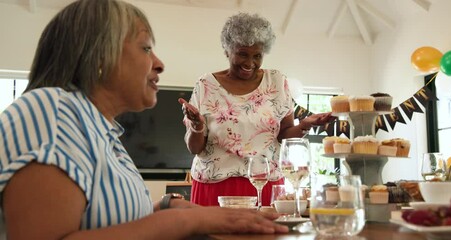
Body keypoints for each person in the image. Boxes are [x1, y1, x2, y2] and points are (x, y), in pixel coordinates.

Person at [0, 1, 289, 239]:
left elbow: (102, 219)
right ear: (100, 55)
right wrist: (183, 223)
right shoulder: (51, 113)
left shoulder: (98, 130)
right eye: (146, 48)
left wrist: (166, 207)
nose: (160, 63)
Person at [179, 12, 334, 206]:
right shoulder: (205, 85)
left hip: (265, 183)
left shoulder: (277, 82)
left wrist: (303, 125)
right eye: (243, 54)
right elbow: (195, 148)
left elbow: (283, 135)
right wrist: (197, 126)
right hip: (216, 186)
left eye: (257, 55)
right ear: (227, 50)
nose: (250, 63)